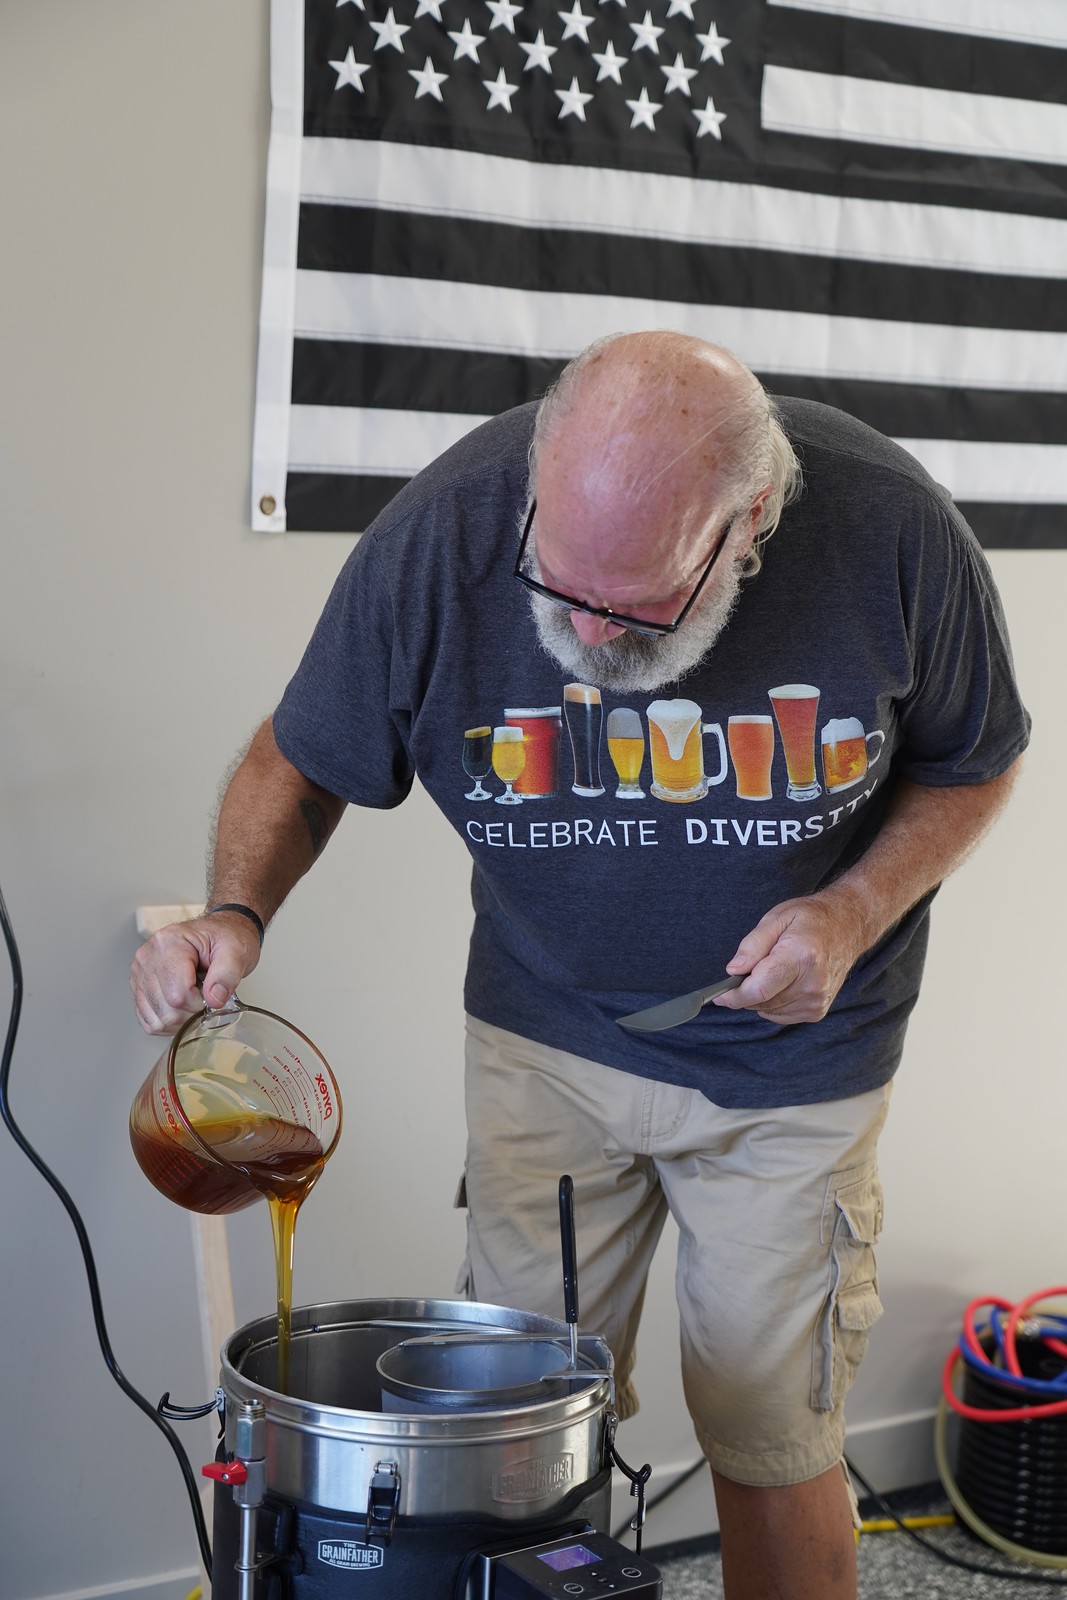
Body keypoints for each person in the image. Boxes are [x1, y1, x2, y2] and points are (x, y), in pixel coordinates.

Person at [131, 332, 1029, 1600]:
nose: (586, 631)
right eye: (556, 583)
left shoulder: (891, 531)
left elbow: (973, 760)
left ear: (747, 523)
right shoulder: (446, 530)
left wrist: (850, 909)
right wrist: (237, 913)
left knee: (769, 1436)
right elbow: (300, 758)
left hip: (792, 1066)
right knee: (510, 1435)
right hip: (541, 1043)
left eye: (633, 603)